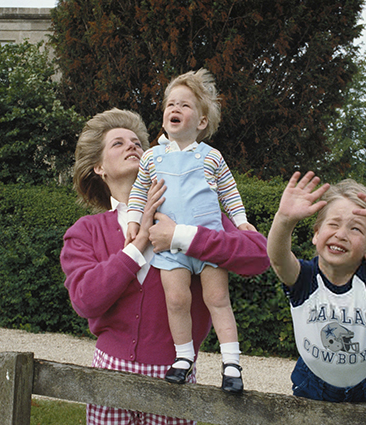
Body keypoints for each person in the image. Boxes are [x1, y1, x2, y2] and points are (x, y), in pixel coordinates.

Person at [60, 108, 269, 424]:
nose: (132, 146)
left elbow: (259, 256)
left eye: (137, 142)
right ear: (98, 167)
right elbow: (86, 300)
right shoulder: (86, 231)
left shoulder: (199, 217)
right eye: (118, 143)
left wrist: (182, 236)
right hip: (108, 377)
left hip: (175, 380)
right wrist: (140, 241)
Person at [125, 69, 254, 393]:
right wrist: (135, 222)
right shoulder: (152, 157)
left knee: (217, 299)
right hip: (170, 249)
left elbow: (229, 192)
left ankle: (231, 363)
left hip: (208, 244)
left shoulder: (211, 157)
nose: (174, 109)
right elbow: (140, 193)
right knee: (177, 300)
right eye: (170, 104)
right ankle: (183, 358)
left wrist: (240, 222)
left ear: (201, 122)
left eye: (184, 105)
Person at [267, 171, 366, 402]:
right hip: (312, 382)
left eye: (356, 229)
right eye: (333, 224)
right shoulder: (304, 278)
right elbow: (278, 258)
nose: (341, 234)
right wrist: (284, 219)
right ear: (316, 235)